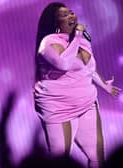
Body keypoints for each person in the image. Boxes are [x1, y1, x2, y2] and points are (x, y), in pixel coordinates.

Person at [33, 2, 121, 168]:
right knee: (60, 158)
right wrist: (79, 37)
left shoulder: (79, 41)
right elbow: (64, 63)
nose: (72, 16)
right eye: (65, 15)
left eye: (71, 13)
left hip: (86, 103)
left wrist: (105, 86)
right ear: (55, 23)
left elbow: (87, 69)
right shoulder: (48, 43)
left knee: (97, 156)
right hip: (58, 106)